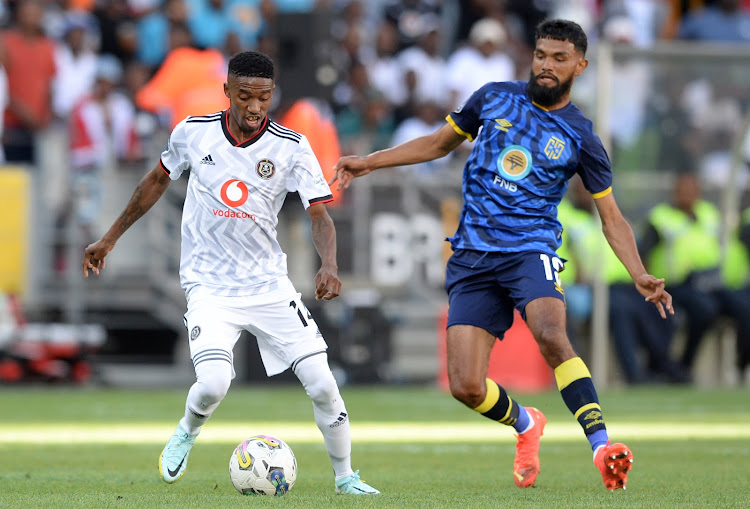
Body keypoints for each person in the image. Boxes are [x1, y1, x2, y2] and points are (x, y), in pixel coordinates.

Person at [331, 19, 674, 491]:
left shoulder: (582, 137)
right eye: (540, 55)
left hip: (529, 249)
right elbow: (437, 143)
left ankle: (601, 447)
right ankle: (526, 424)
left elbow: (610, 216)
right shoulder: (494, 96)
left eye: (558, 58)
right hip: (472, 255)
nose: (546, 65)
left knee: (552, 334)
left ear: (580, 65)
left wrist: (638, 272)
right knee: (466, 386)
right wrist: (369, 161)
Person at [82, 51, 379, 495]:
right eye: (245, 96)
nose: (255, 106)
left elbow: (319, 215)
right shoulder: (192, 134)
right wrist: (110, 238)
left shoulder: (292, 147)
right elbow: (155, 183)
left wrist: (329, 265)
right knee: (214, 384)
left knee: (322, 384)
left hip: (268, 285)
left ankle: (346, 478)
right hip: (209, 284)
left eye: (263, 97)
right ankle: (187, 429)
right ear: (227, 92)